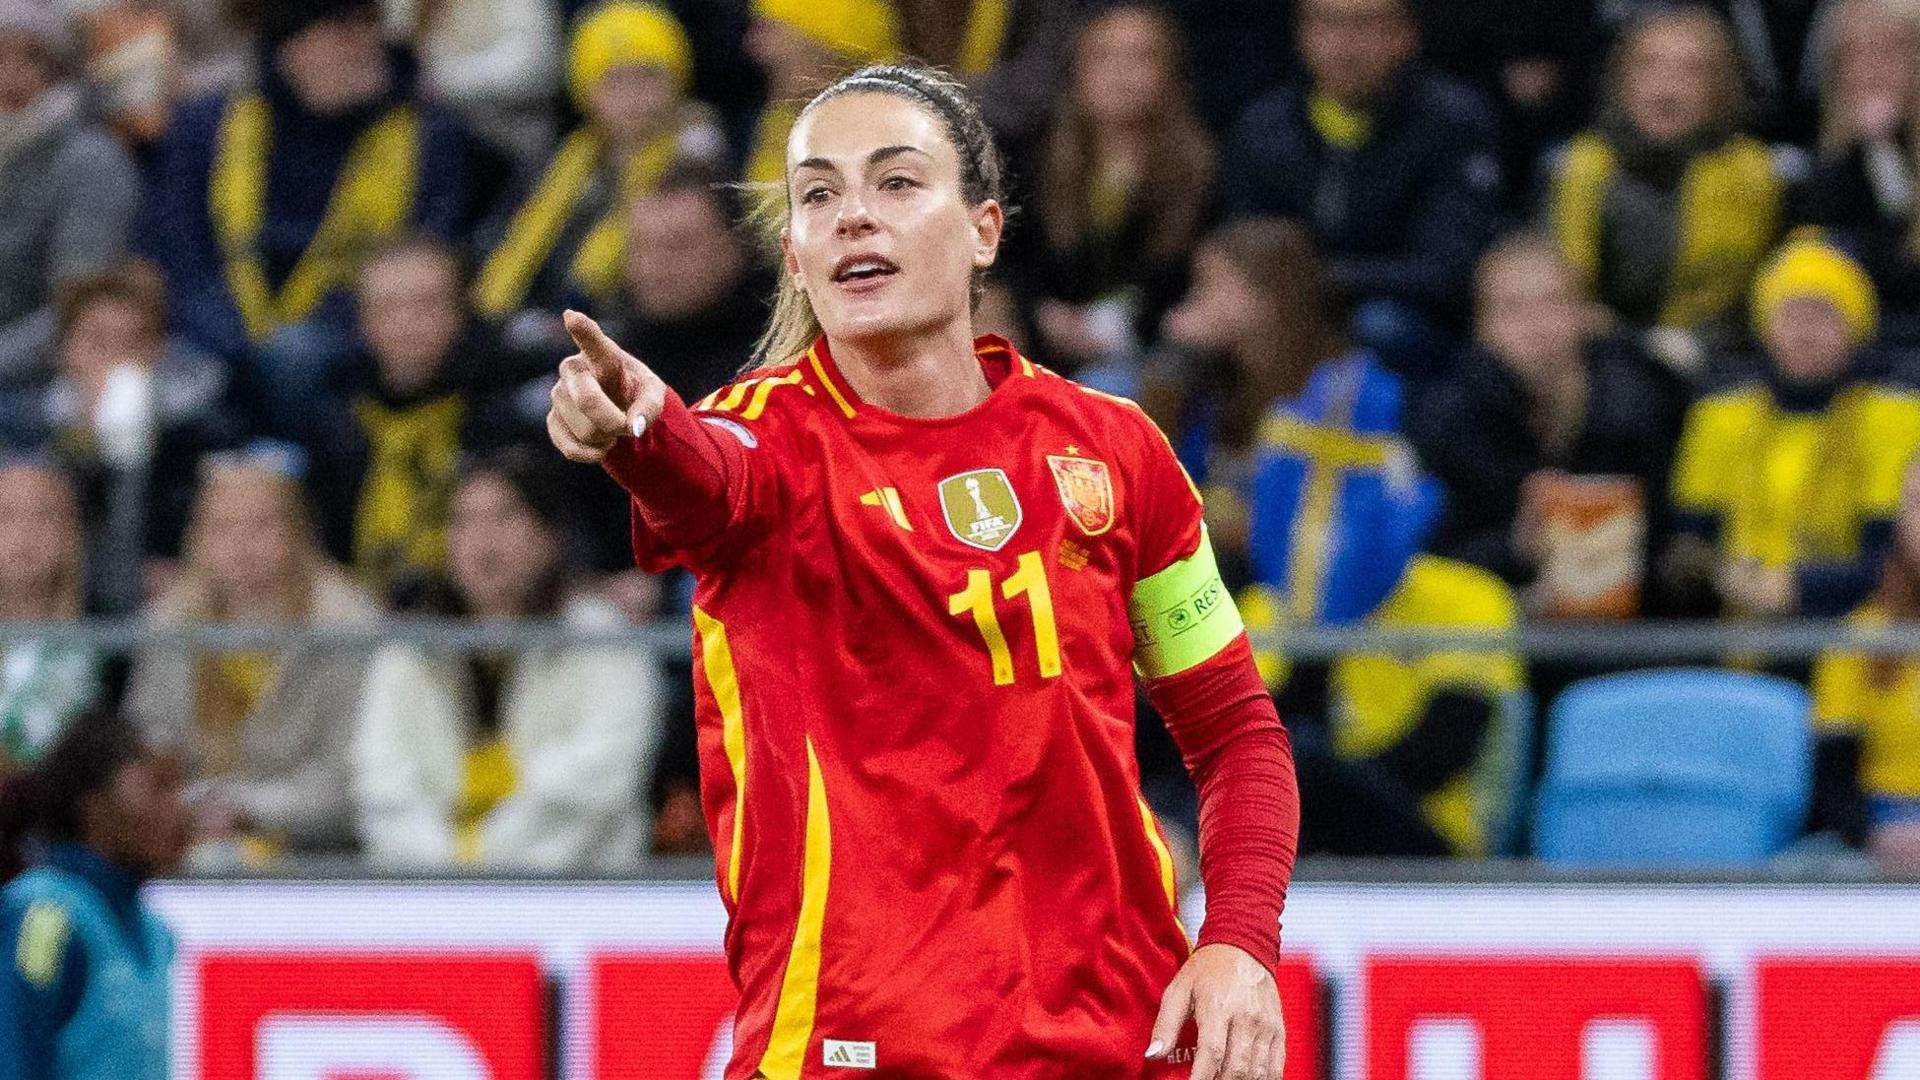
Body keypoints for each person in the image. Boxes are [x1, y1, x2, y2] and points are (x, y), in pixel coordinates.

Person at [546, 64, 1297, 1078]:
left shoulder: (1115, 454)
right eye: (819, 196)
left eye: (896, 183)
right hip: (858, 1050)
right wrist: (638, 431)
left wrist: (1240, 943)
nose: (854, 215)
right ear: (796, 259)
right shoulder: (763, 447)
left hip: (1122, 1044)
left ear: (984, 229)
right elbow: (700, 478)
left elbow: (1234, 729)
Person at [142, 0, 477, 431]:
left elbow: (431, 254)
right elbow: (174, 252)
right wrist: (239, 343)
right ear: (291, 46)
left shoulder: (428, 133)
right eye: (340, 28)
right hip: (215, 338)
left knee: (301, 356)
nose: (363, 44)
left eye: (369, 23)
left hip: (359, 338)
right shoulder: (209, 126)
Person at [354, 451, 662, 871]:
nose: (484, 540)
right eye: (463, 521)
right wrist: (446, 867)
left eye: (505, 516)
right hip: (429, 891)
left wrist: (485, 857)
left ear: (547, 534)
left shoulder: (600, 635)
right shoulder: (410, 646)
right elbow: (382, 778)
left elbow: (599, 775)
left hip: (578, 889)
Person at [124, 445, 381, 864]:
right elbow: (150, 742)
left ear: (298, 532)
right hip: (192, 839)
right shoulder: (168, 623)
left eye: (261, 526)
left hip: (319, 852)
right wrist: (193, 806)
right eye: (223, 529)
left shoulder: (348, 623)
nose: (242, 546)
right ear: (198, 540)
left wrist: (250, 808)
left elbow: (350, 774)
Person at [1221, 0, 1503, 373]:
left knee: (1380, 324)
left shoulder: (1454, 124)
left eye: (1365, 24)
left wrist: (1318, 278)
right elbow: (1245, 249)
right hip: (1288, 308)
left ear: (1405, 35)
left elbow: (1448, 271)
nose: (1345, 44)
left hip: (1415, 323)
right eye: (1329, 24)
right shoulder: (1264, 127)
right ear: (1302, 36)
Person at [1411, 234, 1687, 612]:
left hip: (1625, 625)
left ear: (1585, 316)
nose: (1536, 325)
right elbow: (1431, 561)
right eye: (1513, 308)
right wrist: (1515, 544)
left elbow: (1670, 540)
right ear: (1482, 327)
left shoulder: (1638, 401)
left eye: (1553, 303)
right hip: (1496, 630)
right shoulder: (1446, 418)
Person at [1665, 239, 1920, 620]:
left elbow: (1893, 560)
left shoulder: (1892, 417)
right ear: (1765, 325)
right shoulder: (1720, 417)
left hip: (1852, 637)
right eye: (1791, 315)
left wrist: (1796, 586)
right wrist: (1723, 575)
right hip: (1737, 634)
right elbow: (1687, 547)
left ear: (1856, 327)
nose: (1806, 332)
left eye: (1825, 315)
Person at [1546, 6, 1786, 376]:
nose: (1667, 88)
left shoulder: (1754, 173)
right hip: (1607, 364)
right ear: (1622, 81)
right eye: (1649, 66)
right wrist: (1643, 346)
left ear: (1720, 88)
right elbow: (1564, 292)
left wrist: (1699, 345)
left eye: (1690, 70)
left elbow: (1766, 294)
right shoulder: (1583, 167)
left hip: (1728, 362)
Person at [0, 261, 238, 615]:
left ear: (158, 352)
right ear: (66, 352)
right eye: (99, 342)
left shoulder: (202, 437)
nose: (116, 359)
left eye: (133, 343)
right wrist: (87, 445)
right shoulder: (28, 434)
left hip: (166, 615)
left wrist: (134, 448)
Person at [302, 237, 533, 597]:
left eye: (426, 305)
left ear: (461, 312)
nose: (406, 324)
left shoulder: (510, 410)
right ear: (363, 321)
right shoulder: (334, 412)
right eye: (387, 308)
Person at [471, 1, 725, 324]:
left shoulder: (700, 153)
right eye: (614, 81)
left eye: (649, 76)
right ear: (586, 92)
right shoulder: (565, 160)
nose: (634, 96)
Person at [1008, 4, 1214, 382]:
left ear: (1169, 73)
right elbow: (1012, 262)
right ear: (1078, 70)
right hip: (1041, 341)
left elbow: (1187, 281)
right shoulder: (1033, 158)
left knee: (1108, 385)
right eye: (1104, 57)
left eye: (1141, 57)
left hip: (1148, 353)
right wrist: (1041, 313)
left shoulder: (1200, 170)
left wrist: (1118, 327)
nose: (1121, 74)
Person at [1138, 219, 1353, 582]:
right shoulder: (1207, 379)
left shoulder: (1334, 384)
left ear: (1267, 294)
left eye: (1210, 286)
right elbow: (1150, 486)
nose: (1194, 304)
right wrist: (1171, 365)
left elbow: (1319, 517)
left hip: (1299, 579)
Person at [0, 711, 190, 1080]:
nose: (177, 811)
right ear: (95, 804)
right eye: (157, 788)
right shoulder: (44, 920)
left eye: (178, 790)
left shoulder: (156, 933)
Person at [0, 1, 142, 387]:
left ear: (57, 70)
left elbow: (77, 307)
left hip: (39, 384)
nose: (9, 76)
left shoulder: (90, 160)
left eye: (29, 58)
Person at [1811, 454, 1920, 873]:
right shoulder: (1859, 633)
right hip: (1878, 832)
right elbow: (1834, 788)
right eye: (1916, 502)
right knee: (1808, 869)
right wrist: (1879, 841)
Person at [1794, 0, 1920, 340]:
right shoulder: (1834, 164)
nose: (1866, 71)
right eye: (1850, 56)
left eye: (1887, 52)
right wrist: (1877, 150)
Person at [0, 461, 105, 768]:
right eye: (6, 516)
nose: (24, 534)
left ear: (70, 534)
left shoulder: (101, 644)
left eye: (43, 517)